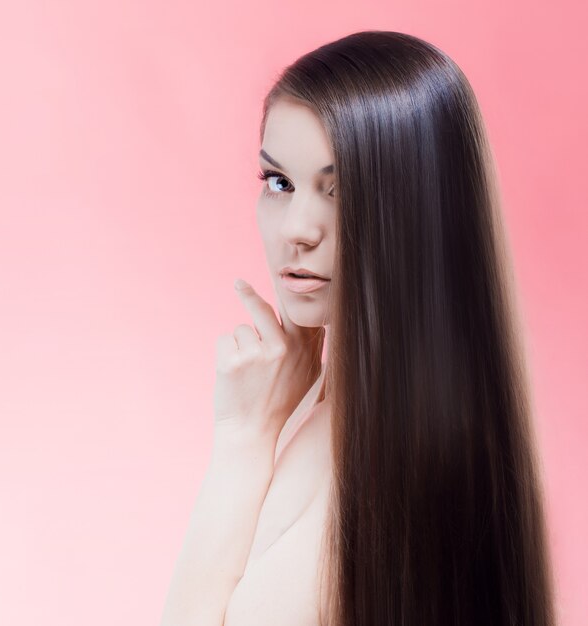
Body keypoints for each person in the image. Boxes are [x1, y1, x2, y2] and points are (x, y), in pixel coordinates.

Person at [161, 30, 557, 626]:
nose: (297, 229)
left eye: (341, 190)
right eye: (279, 183)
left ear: (420, 207)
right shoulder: (363, 416)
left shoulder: (407, 467)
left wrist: (242, 439)